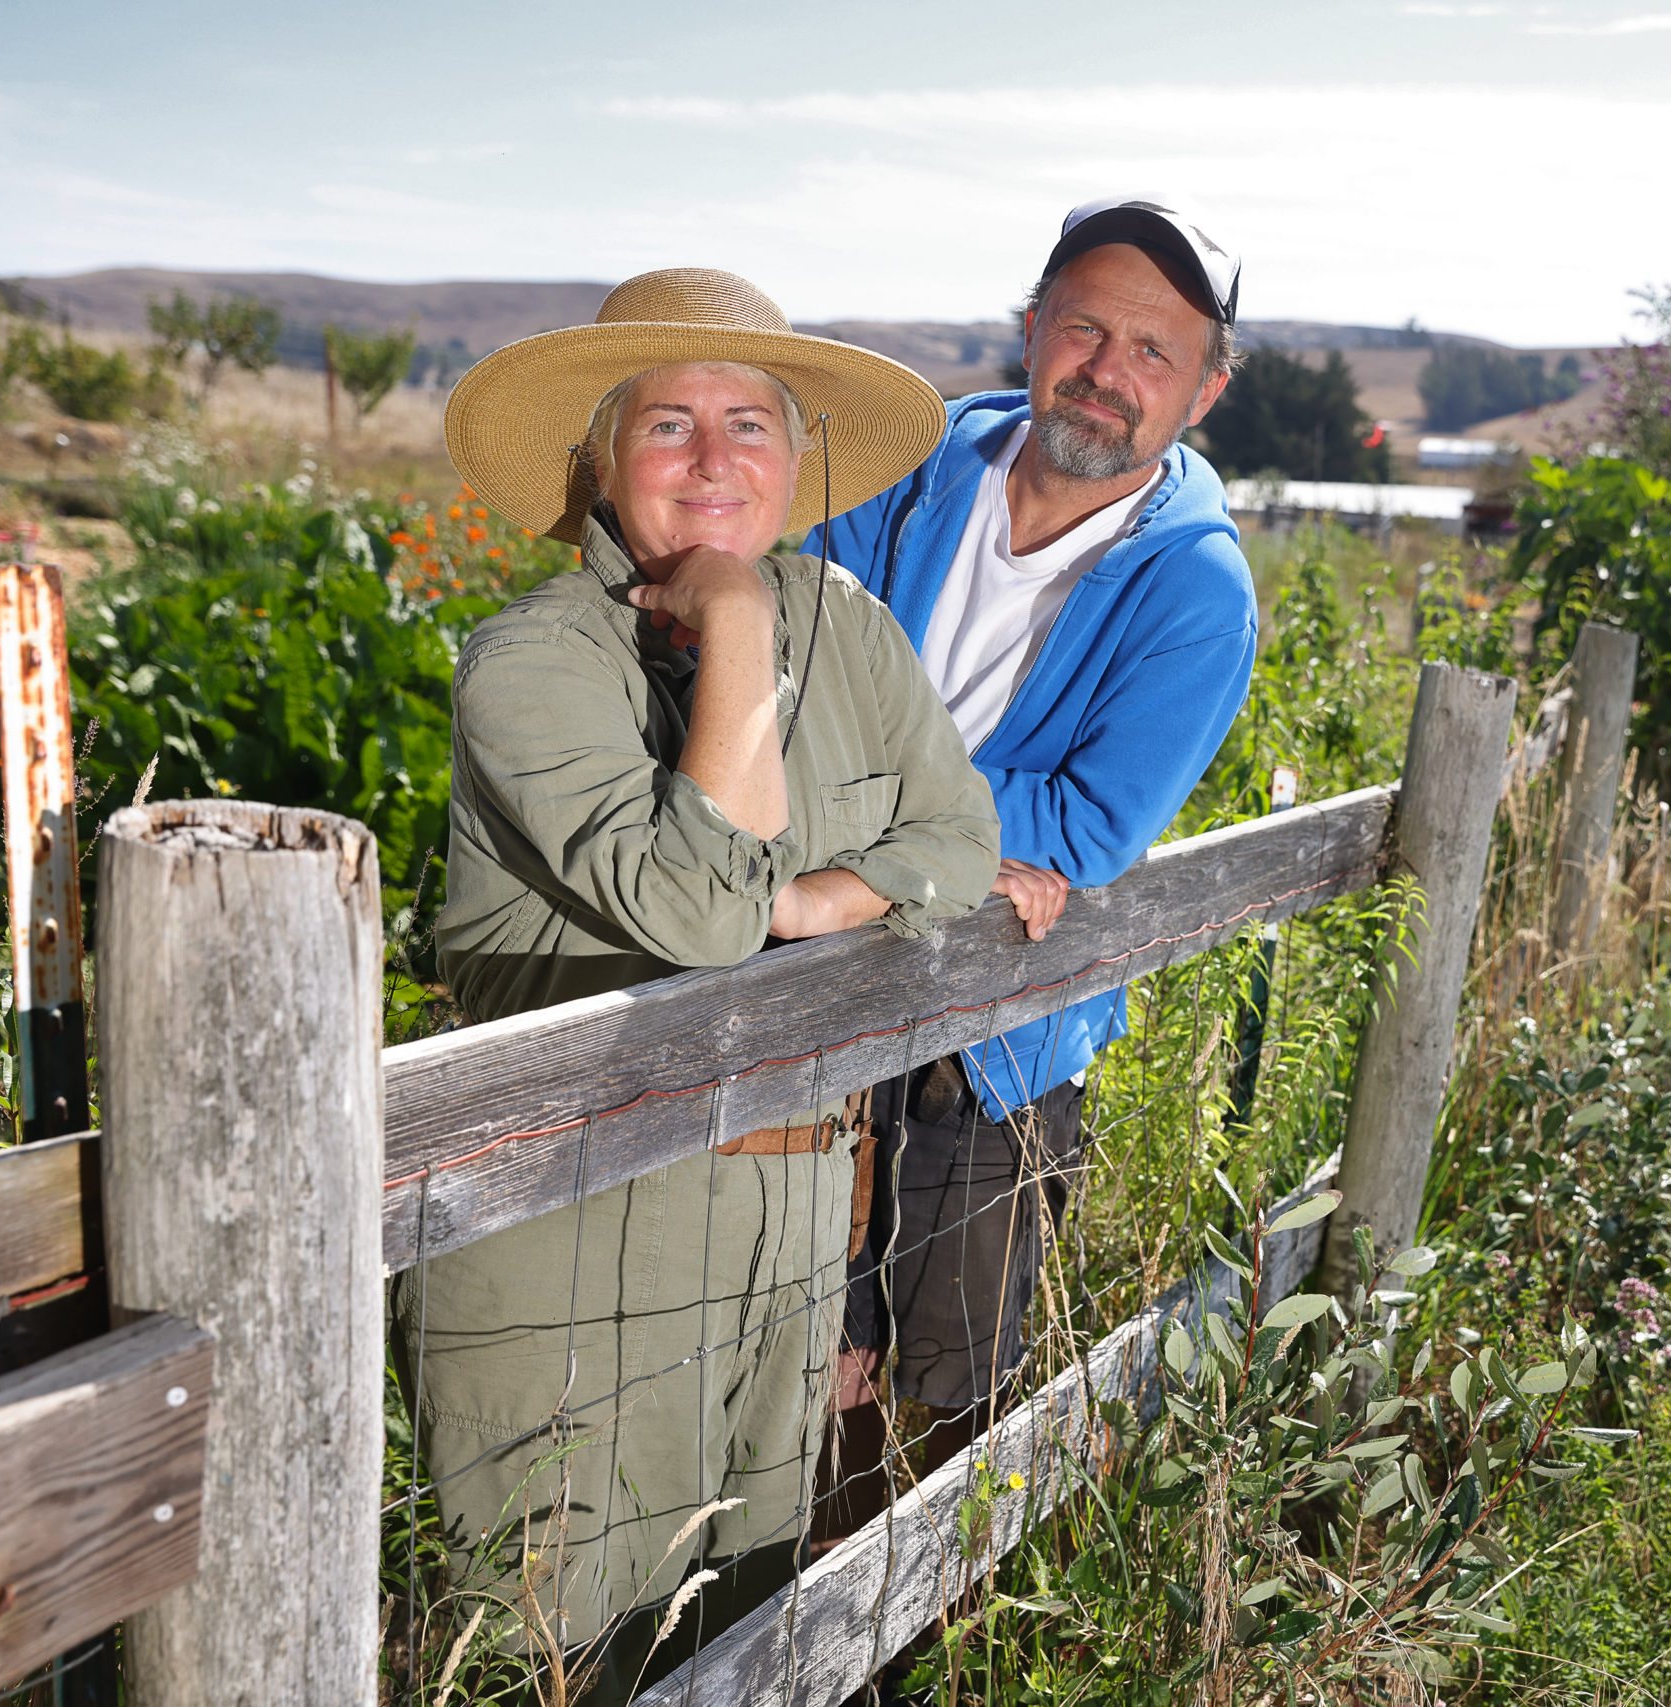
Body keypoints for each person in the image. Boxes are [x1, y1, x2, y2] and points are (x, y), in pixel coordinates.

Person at [404, 268, 1001, 1699]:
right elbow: (691, 905)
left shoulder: (851, 625)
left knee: (746, 1627)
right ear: (601, 463)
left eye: (751, 422)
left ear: (797, 459)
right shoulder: (535, 660)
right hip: (570, 1219)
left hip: (794, 1218)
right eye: (669, 425)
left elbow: (963, 837)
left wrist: (815, 898)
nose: (717, 459)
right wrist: (732, 619)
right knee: (560, 1646)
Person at [814, 199, 1258, 1534]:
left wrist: (861, 802)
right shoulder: (900, 466)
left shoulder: (1196, 588)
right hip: (807, 1000)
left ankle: (903, 1650)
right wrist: (948, 828)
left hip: (995, 1049)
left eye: (1154, 351)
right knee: (782, 1365)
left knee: (943, 1405)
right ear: (1031, 327)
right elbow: (793, 694)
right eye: (1085, 327)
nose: (1108, 372)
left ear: (1205, 390)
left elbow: (1087, 828)